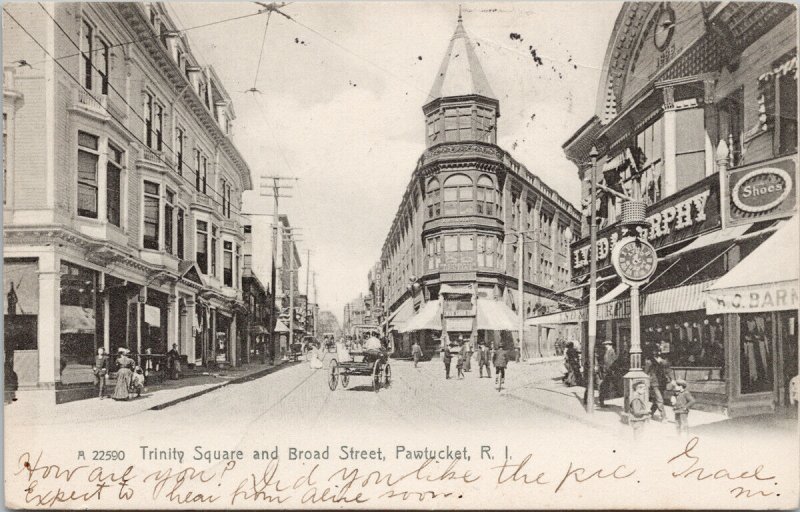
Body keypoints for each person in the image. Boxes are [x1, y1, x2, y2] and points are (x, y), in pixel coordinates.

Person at [645, 353, 672, 421]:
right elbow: (646, 372)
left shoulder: (663, 360)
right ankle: (663, 416)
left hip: (662, 382)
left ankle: (650, 413)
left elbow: (668, 368)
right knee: (659, 399)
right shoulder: (649, 361)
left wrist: (661, 361)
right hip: (655, 383)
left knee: (657, 399)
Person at [599, 340, 618, 406]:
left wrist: (611, 369)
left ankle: (603, 400)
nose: (605, 346)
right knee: (605, 385)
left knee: (605, 385)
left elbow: (613, 361)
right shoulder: (607, 351)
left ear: (610, 345)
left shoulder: (611, 351)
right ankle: (602, 400)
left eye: (606, 344)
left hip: (609, 370)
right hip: (607, 370)